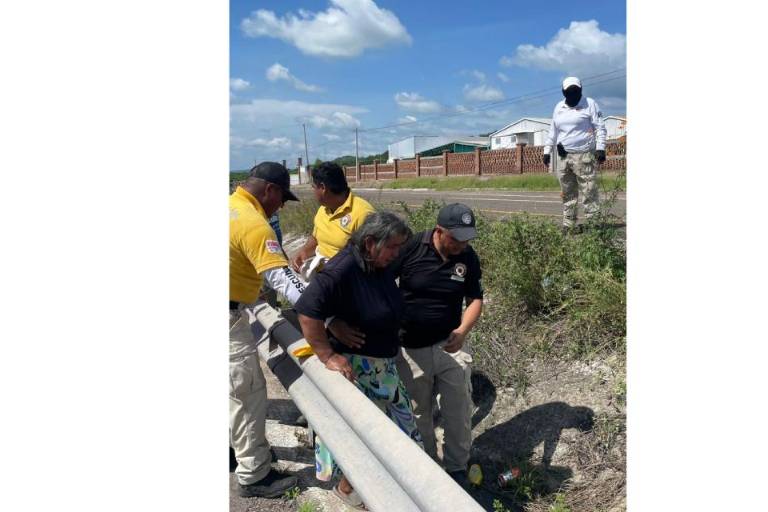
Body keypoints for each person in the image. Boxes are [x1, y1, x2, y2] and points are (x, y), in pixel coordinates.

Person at [294, 211, 423, 511]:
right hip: (360, 371)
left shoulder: (376, 263)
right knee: (368, 442)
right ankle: (351, 491)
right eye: (392, 247)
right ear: (370, 242)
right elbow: (307, 311)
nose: (396, 254)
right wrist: (327, 355)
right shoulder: (342, 268)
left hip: (383, 369)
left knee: (392, 439)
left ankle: (366, 491)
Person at [229, 161, 308, 498]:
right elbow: (286, 281)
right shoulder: (253, 224)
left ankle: (232, 452)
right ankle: (253, 475)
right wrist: (328, 313)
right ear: (270, 190)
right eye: (281, 199)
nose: (280, 207)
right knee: (246, 392)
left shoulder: (229, 206)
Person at [390, 203, 483, 486]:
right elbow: (380, 280)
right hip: (410, 348)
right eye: (456, 239)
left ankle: (456, 467)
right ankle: (426, 466)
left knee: (458, 409)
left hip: (450, 346)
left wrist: (464, 330)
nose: (462, 245)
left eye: (467, 238)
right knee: (419, 411)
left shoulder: (467, 257)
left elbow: (475, 299)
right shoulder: (410, 248)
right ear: (439, 231)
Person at [542, 76, 607, 232]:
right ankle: (569, 224)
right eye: (569, 91)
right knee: (567, 192)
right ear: (563, 92)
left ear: (581, 90)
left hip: (584, 155)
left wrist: (601, 148)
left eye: (576, 90)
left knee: (589, 190)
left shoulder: (589, 104)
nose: (573, 94)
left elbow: (600, 128)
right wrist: (547, 150)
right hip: (563, 157)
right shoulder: (559, 107)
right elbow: (553, 130)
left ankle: (593, 224)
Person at [290, 161, 375, 275]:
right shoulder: (323, 209)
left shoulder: (363, 214)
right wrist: (304, 251)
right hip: (322, 276)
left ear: (323, 188)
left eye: (314, 187)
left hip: (346, 279)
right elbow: (316, 237)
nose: (313, 192)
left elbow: (372, 258)